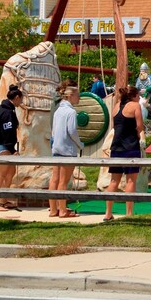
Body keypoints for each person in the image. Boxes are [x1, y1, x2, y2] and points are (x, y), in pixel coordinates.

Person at [104, 86, 145, 221]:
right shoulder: (135, 106)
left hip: (116, 147)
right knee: (130, 180)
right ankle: (129, 213)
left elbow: (115, 125)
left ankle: (108, 213)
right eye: (138, 96)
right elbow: (139, 126)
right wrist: (142, 140)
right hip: (130, 146)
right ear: (133, 96)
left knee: (114, 181)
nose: (139, 98)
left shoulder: (116, 106)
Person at [49, 86, 83, 218]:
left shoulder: (58, 111)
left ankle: (53, 209)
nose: (79, 98)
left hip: (57, 147)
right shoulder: (71, 112)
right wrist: (79, 144)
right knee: (63, 181)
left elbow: (53, 129)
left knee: (54, 179)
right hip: (67, 149)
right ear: (70, 96)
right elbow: (72, 131)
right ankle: (62, 210)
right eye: (77, 95)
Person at [0, 84, 23, 211]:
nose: (22, 102)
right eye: (21, 99)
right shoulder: (7, 112)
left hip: (5, 145)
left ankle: (3, 200)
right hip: (3, 146)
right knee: (1, 175)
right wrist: (13, 150)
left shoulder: (4, 109)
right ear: (17, 97)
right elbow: (7, 133)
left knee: (11, 172)